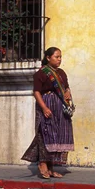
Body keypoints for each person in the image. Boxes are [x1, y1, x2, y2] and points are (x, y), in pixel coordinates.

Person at [21, 47, 74, 179]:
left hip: (60, 107)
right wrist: (44, 108)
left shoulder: (61, 73)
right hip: (47, 105)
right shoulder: (42, 73)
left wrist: (68, 93)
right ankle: (43, 164)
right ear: (48, 58)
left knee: (58, 135)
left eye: (60, 57)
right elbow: (36, 92)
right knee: (46, 134)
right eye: (57, 57)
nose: (59, 59)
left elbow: (66, 88)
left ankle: (51, 168)